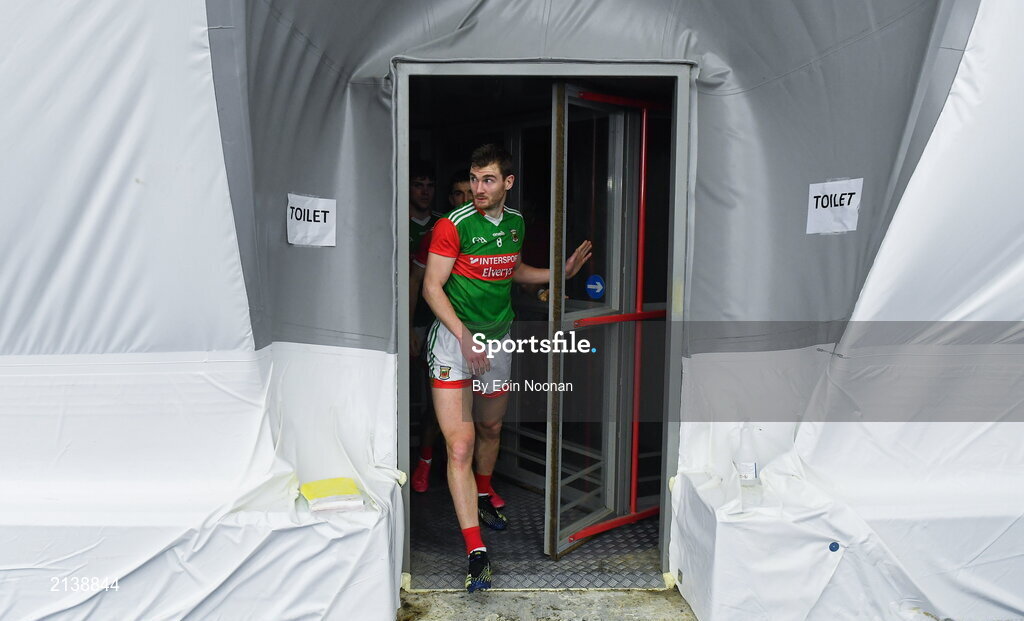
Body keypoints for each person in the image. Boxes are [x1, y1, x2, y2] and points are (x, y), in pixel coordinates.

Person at [422, 144, 593, 592]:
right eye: (474, 179)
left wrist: (560, 273)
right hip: (454, 345)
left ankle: (482, 492)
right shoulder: (452, 225)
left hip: (497, 342)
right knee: (461, 445)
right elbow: (432, 288)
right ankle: (476, 552)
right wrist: (465, 337)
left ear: (507, 183)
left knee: (491, 428)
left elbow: (512, 270)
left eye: (488, 180)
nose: (478, 188)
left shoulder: (515, 223)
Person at [409, 169, 473, 493]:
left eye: (469, 193)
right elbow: (417, 281)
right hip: (429, 326)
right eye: (458, 193)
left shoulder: (482, 232)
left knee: (468, 412)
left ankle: (471, 480)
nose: (466, 199)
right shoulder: (438, 230)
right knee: (433, 402)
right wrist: (408, 326)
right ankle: (424, 460)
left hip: (466, 330)